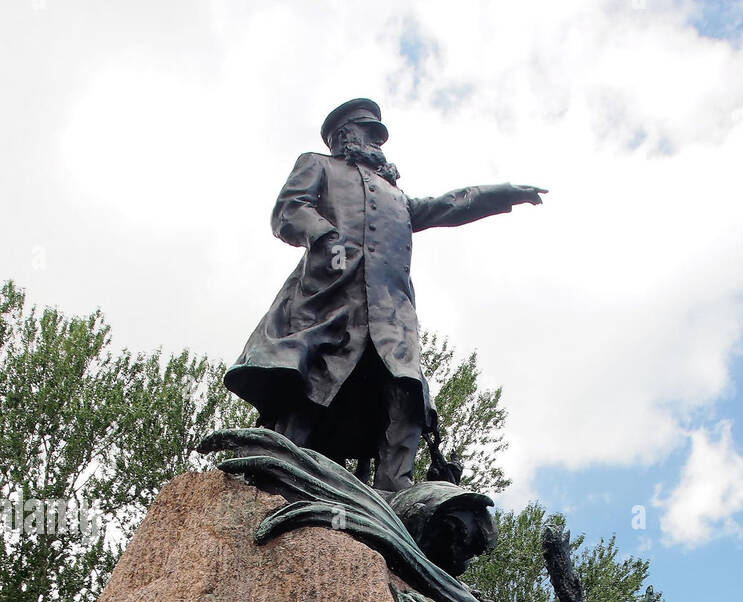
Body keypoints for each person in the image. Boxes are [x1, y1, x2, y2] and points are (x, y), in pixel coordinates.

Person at [225, 98, 546, 492]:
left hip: (390, 312)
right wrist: (325, 236)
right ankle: (280, 470)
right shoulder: (318, 165)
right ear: (344, 135)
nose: (378, 141)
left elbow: (449, 204)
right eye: (369, 132)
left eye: (379, 134)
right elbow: (290, 210)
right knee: (312, 376)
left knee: (404, 391)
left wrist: (502, 194)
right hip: (327, 297)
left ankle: (395, 493)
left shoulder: (398, 199)